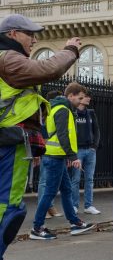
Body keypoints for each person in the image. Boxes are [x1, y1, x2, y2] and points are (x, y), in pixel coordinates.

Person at [0, 14, 81, 260]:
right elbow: (48, 69)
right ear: (12, 34)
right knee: (9, 208)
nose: (34, 39)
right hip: (8, 144)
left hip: (11, 143)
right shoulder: (8, 58)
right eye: (29, 33)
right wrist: (70, 50)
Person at [30, 82, 96, 240]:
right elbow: (62, 134)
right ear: (70, 95)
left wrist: (67, 156)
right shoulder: (62, 110)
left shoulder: (59, 108)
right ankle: (37, 228)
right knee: (50, 193)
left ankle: (75, 223)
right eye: (79, 98)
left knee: (65, 191)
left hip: (57, 156)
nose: (81, 101)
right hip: (55, 157)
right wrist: (72, 157)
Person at [71, 91, 100, 214]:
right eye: (86, 96)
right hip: (77, 151)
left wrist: (94, 146)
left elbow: (97, 131)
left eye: (89, 96)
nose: (88, 98)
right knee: (75, 179)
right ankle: (74, 205)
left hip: (90, 150)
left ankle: (88, 206)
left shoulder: (91, 113)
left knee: (90, 179)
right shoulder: (73, 114)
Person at [37, 90, 64, 220]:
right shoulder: (43, 112)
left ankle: (50, 206)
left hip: (51, 150)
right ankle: (44, 209)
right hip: (45, 150)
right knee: (44, 181)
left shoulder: (53, 112)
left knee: (50, 181)